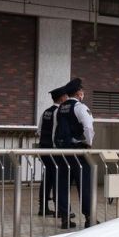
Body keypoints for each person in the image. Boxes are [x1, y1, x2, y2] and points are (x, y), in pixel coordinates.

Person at [53, 78, 96, 228]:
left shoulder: (60, 108)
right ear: (79, 93)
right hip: (78, 151)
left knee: (63, 185)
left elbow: (55, 130)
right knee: (84, 184)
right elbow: (88, 128)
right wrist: (89, 144)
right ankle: (89, 218)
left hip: (62, 151)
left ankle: (65, 219)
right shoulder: (80, 107)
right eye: (82, 92)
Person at [37, 85, 68, 216]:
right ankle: (60, 210)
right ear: (62, 98)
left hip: (43, 149)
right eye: (66, 96)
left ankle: (43, 207)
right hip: (54, 149)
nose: (67, 98)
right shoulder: (58, 112)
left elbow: (39, 130)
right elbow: (58, 131)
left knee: (47, 178)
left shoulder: (46, 112)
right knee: (57, 178)